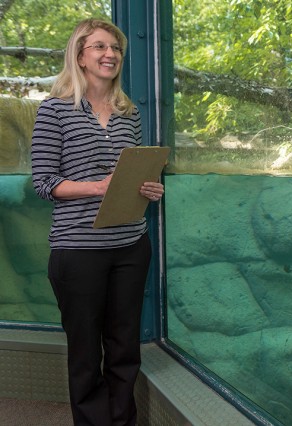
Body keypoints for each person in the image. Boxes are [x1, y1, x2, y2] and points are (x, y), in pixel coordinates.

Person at [31, 18, 164, 426]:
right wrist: (96, 188)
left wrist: (148, 188)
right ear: (80, 55)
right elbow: (44, 183)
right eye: (101, 47)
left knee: (124, 348)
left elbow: (131, 176)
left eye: (117, 49)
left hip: (130, 246)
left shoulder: (130, 113)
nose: (111, 55)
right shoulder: (54, 110)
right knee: (86, 352)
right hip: (78, 251)